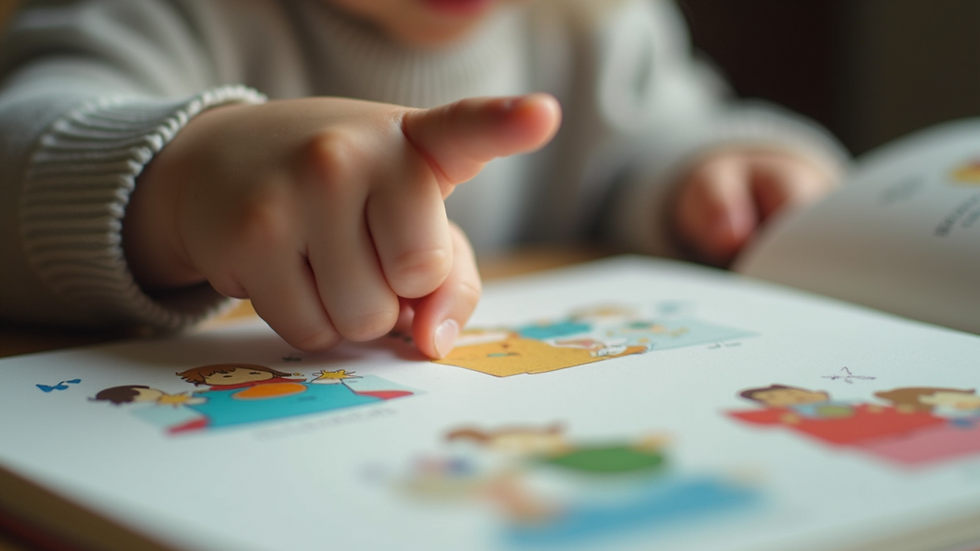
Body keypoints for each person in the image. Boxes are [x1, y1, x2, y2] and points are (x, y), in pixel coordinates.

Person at [0, 0, 847, 359]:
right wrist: (182, 177)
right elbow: (20, 147)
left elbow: (656, 137)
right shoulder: (161, 17)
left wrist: (719, 171)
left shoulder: (593, 20)